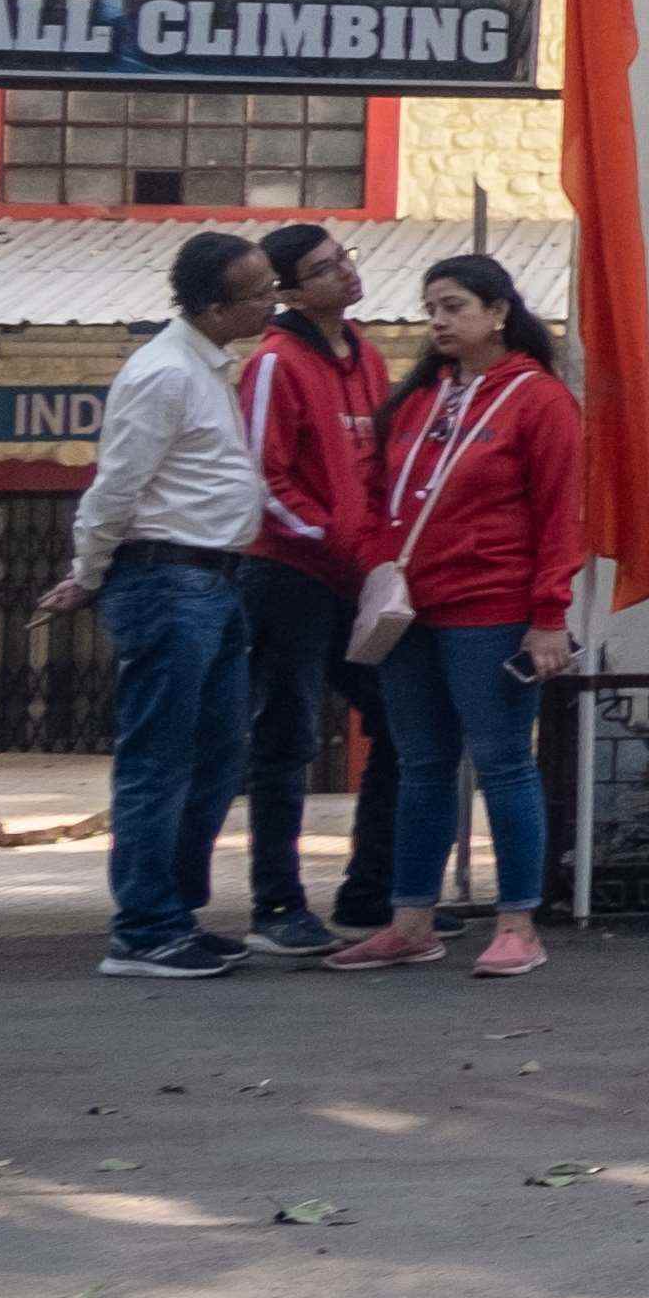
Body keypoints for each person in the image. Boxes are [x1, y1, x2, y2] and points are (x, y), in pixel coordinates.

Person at [325, 252, 582, 980]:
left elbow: (563, 515)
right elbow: (378, 497)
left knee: (502, 761)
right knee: (419, 765)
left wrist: (548, 614)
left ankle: (517, 924)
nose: (438, 320)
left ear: (499, 312)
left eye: (454, 306)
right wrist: (379, 566)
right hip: (410, 612)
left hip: (492, 608)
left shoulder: (539, 401)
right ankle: (410, 921)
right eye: (431, 307)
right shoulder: (417, 399)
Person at [55, 227, 276, 981]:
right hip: (168, 583)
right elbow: (116, 487)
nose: (272, 303)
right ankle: (143, 928)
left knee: (217, 754)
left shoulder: (210, 368)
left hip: (213, 581)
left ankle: (173, 913)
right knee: (159, 758)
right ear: (215, 306)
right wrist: (88, 570)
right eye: (259, 294)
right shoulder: (164, 374)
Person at [227, 223, 399, 948]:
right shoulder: (274, 363)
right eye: (325, 269)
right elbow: (264, 480)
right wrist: (335, 540)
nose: (345, 274)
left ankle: (372, 896)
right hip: (289, 575)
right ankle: (277, 906)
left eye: (345, 259)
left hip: (356, 576)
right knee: (288, 736)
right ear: (291, 291)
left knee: (399, 723)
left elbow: (383, 467)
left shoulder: (368, 358)